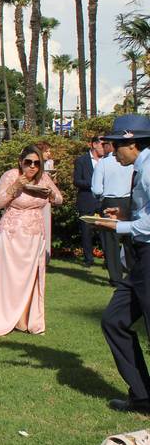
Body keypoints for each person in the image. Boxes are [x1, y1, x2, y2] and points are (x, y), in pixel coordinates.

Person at [0, 146, 63, 336]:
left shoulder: (43, 178)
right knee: (10, 277)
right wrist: (15, 187)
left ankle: (25, 319)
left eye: (37, 163)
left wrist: (50, 194)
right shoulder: (10, 175)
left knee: (30, 277)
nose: (32, 167)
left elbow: (59, 199)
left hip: (34, 233)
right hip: (12, 233)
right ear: (20, 162)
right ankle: (4, 316)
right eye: (28, 162)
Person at [95, 115, 150, 413]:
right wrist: (126, 218)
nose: (113, 150)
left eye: (116, 145)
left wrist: (119, 228)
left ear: (132, 143)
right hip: (141, 260)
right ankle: (142, 396)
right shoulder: (141, 167)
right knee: (114, 321)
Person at [92, 140, 135, 286]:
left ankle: (116, 278)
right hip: (129, 201)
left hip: (109, 202)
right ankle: (133, 273)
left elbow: (97, 189)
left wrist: (100, 197)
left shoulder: (103, 163)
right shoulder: (133, 162)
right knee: (130, 241)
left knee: (111, 244)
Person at [74, 136, 105, 267]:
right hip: (86, 200)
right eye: (102, 144)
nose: (105, 147)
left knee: (106, 232)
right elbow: (77, 181)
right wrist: (94, 184)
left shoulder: (108, 161)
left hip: (104, 201)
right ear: (94, 144)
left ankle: (109, 260)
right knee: (86, 232)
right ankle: (88, 259)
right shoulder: (82, 160)